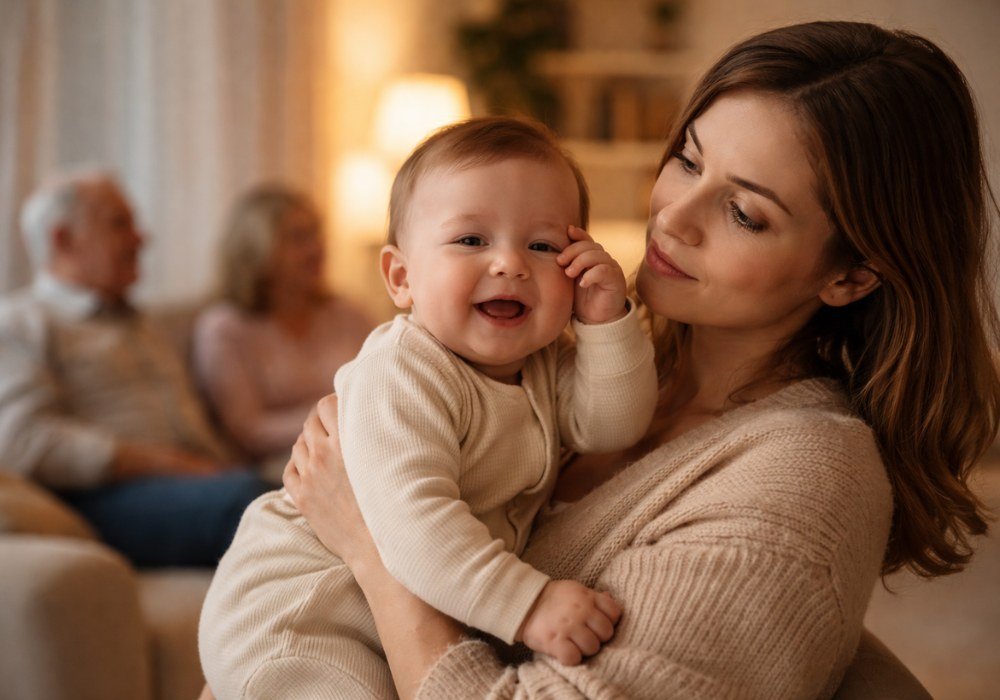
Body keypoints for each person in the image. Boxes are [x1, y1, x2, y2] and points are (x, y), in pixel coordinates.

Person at [280, 20, 1000, 699]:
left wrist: (373, 550)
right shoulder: (577, 356)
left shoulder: (806, 482)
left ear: (851, 276)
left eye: (745, 213)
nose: (673, 216)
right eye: (687, 160)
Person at [199, 117, 659, 698]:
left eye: (543, 246)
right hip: (299, 614)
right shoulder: (403, 368)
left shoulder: (545, 362)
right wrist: (529, 604)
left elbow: (611, 425)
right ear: (401, 277)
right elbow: (416, 523)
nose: (510, 264)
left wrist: (605, 323)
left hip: (379, 620)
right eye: (471, 240)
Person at [0, 170, 270, 567]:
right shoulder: (21, 321)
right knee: (253, 503)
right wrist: (170, 464)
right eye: (119, 223)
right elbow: (23, 441)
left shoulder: (140, 323)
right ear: (64, 239)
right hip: (108, 498)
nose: (142, 238)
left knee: (311, 489)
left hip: (200, 482)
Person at [192, 184, 374, 481]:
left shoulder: (346, 313)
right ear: (256, 250)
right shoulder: (224, 328)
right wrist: (336, 417)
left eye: (316, 234)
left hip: (361, 438)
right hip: (284, 461)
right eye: (298, 238)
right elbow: (247, 430)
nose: (317, 248)